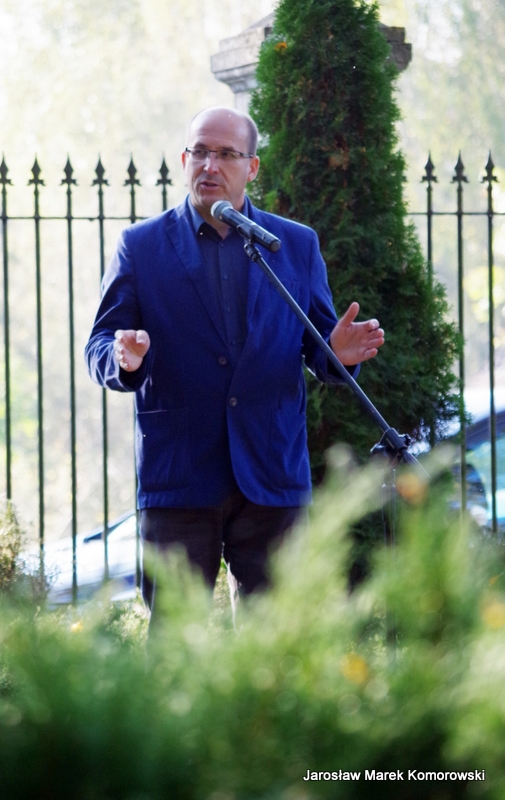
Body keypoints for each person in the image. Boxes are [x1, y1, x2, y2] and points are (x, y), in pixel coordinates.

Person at [85, 107, 385, 614]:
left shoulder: (293, 245)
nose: (210, 165)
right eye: (200, 152)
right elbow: (99, 344)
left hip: (271, 476)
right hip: (179, 478)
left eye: (226, 154)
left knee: (278, 642)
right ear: (184, 160)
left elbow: (317, 346)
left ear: (252, 167)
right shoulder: (141, 246)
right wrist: (123, 359)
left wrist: (337, 355)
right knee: (176, 643)